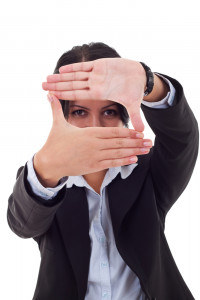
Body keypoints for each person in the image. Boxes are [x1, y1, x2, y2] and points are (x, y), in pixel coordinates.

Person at [7, 42, 199, 300]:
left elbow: (182, 140)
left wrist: (148, 84)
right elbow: (23, 224)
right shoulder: (48, 179)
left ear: (124, 116)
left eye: (108, 111)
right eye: (79, 112)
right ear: (62, 118)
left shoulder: (147, 173)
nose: (95, 126)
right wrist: (47, 165)